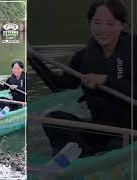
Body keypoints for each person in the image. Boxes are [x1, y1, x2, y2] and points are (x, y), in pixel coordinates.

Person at [30, 0, 136, 156]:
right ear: (90, 24)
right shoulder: (82, 57)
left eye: (110, 24)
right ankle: (85, 156)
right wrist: (33, 58)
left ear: (122, 25)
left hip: (131, 131)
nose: (103, 29)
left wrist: (106, 80)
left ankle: (92, 155)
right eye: (97, 23)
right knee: (53, 120)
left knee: (114, 147)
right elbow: (60, 87)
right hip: (101, 128)